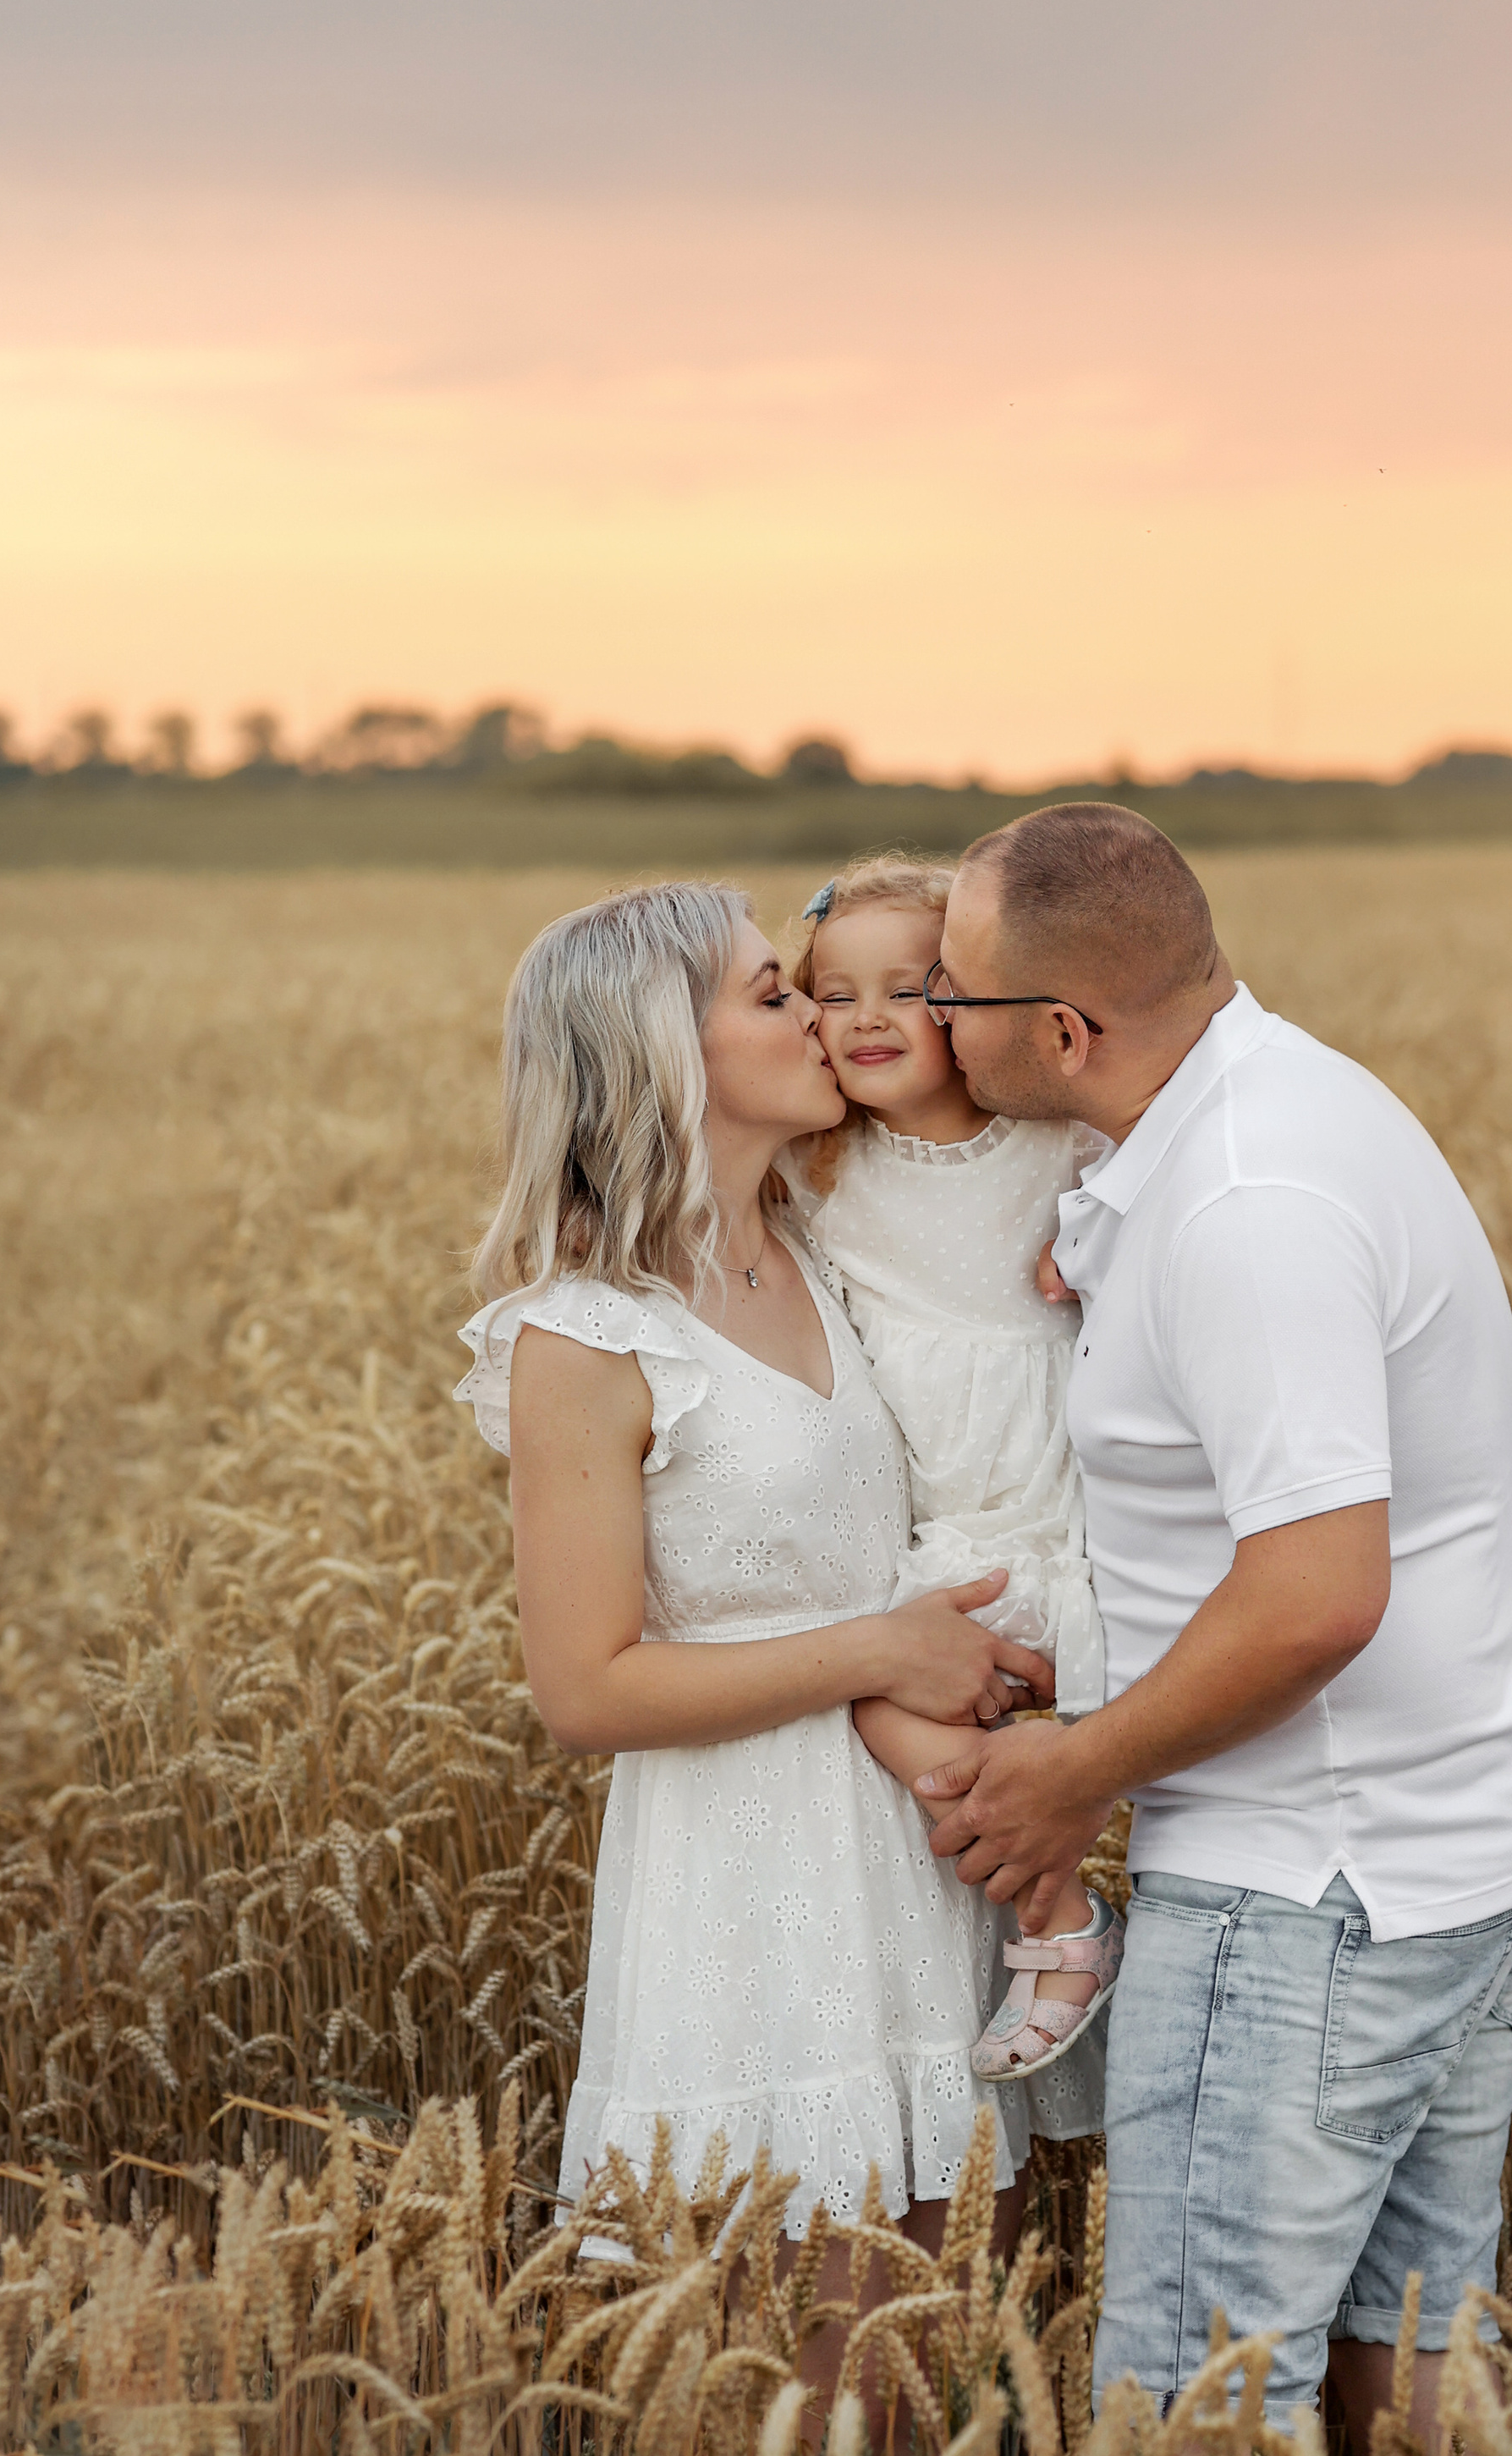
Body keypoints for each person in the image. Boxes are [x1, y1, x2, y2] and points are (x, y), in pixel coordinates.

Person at [911, 803, 1512, 2456]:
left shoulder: (1242, 1206)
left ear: (1059, 1032)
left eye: (950, 994)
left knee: (1196, 2411)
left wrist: (1072, 1774)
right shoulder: (1262, 1104)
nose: (928, 1018)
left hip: (1312, 1896)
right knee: (1402, 2347)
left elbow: (1312, 1598)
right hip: (1464, 1844)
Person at [453, 879, 1059, 2307]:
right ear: (670, 1049)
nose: (817, 1015)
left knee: (961, 2352)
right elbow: (585, 1685)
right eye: (772, 991)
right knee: (812, 2380)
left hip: (920, 1859)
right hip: (749, 1886)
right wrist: (882, 1651)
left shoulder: (824, 1246)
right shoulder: (587, 1335)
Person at [785, 856, 1121, 2093]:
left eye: (907, 986)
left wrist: (1096, 1247)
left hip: (1065, 1499)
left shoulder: (1051, 1145)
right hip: (959, 1524)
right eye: (833, 992)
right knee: (890, 1704)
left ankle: (1074, 1922)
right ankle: (1059, 1917)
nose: (867, 1016)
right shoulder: (820, 1178)